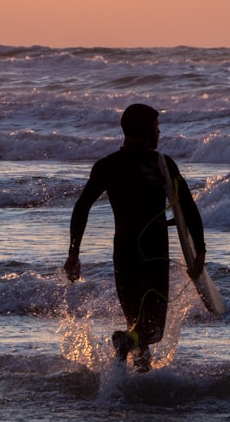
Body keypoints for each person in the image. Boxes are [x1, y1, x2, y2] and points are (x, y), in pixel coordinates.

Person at [64, 103, 205, 372]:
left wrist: (74, 253)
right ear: (144, 130)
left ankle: (140, 376)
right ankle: (126, 342)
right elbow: (187, 207)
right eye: (156, 127)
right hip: (153, 253)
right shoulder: (161, 165)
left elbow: (82, 207)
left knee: (136, 321)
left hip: (124, 253)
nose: (159, 133)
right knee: (152, 330)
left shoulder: (107, 166)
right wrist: (200, 250)